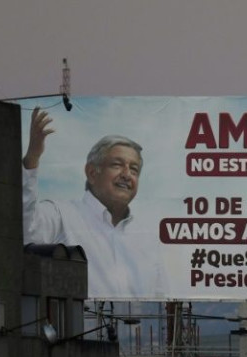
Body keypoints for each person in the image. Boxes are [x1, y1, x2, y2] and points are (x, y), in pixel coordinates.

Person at [22, 107, 166, 299]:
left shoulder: (147, 237)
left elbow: (159, 299)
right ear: (91, 173)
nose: (126, 175)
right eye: (116, 165)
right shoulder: (61, 215)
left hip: (133, 328)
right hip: (78, 327)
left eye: (134, 169)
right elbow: (25, 232)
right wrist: (32, 159)